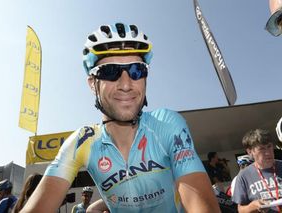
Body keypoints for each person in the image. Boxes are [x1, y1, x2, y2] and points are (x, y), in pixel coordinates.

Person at [20, 22, 220, 213]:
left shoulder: (167, 124)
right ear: (92, 84)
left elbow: (201, 204)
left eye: (136, 70)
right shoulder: (82, 142)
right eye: (110, 71)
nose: (126, 84)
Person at [232, 129, 282, 212]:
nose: (268, 153)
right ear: (250, 152)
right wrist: (252, 207)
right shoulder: (244, 175)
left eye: (269, 146)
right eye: (262, 149)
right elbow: (240, 210)